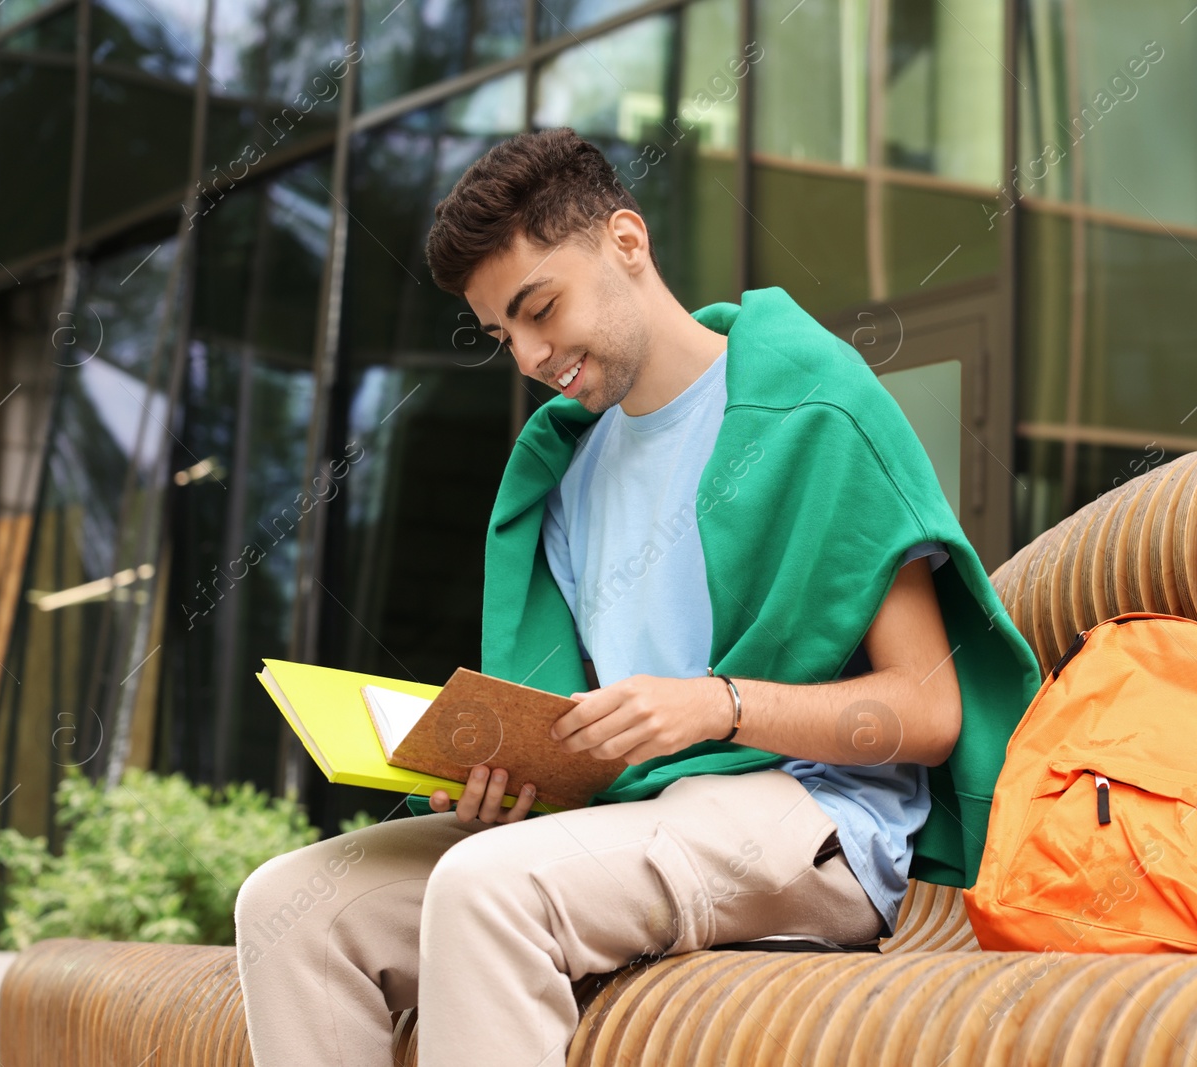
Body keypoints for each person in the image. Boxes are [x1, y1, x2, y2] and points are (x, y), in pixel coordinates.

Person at [234, 126, 1041, 1066]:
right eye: (505, 334)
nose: (531, 355)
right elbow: (595, 731)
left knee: (489, 890)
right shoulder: (567, 471)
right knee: (293, 909)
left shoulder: (813, 403)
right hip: (630, 819)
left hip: (813, 820)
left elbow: (931, 708)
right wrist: (516, 777)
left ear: (627, 241)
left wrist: (717, 705)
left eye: (541, 308)